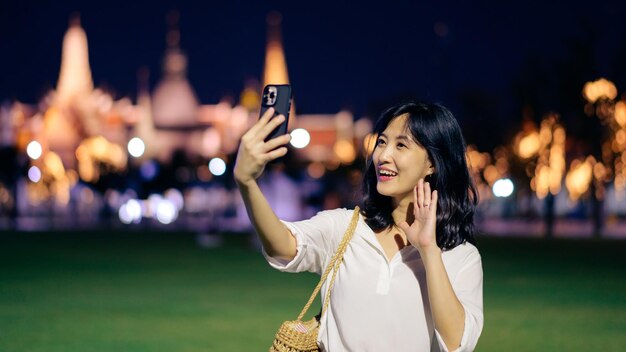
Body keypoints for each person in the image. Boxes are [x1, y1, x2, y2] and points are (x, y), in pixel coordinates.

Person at [234, 102, 483, 351]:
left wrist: (429, 249)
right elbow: (284, 247)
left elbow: (457, 343)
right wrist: (247, 182)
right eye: (382, 142)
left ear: (433, 163)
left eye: (401, 145)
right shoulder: (345, 228)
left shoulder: (461, 258)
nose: (383, 156)